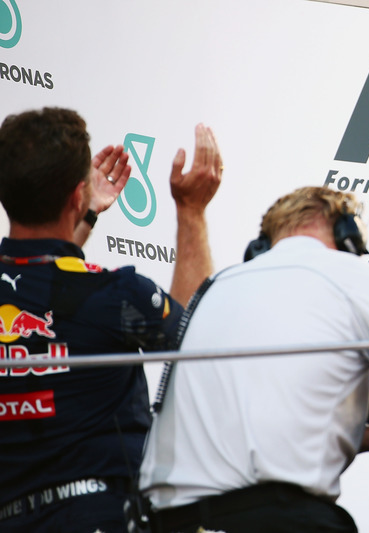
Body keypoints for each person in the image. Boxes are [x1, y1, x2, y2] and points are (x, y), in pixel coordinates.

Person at [138, 186, 369, 533]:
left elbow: (286, 422)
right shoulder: (359, 277)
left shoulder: (213, 286)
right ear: (348, 235)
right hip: (283, 518)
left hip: (165, 520)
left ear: (262, 245)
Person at [0, 107, 222, 533]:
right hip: (101, 516)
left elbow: (44, 284)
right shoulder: (114, 294)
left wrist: (81, 218)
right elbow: (193, 344)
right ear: (75, 195)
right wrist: (191, 211)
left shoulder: (77, 292)